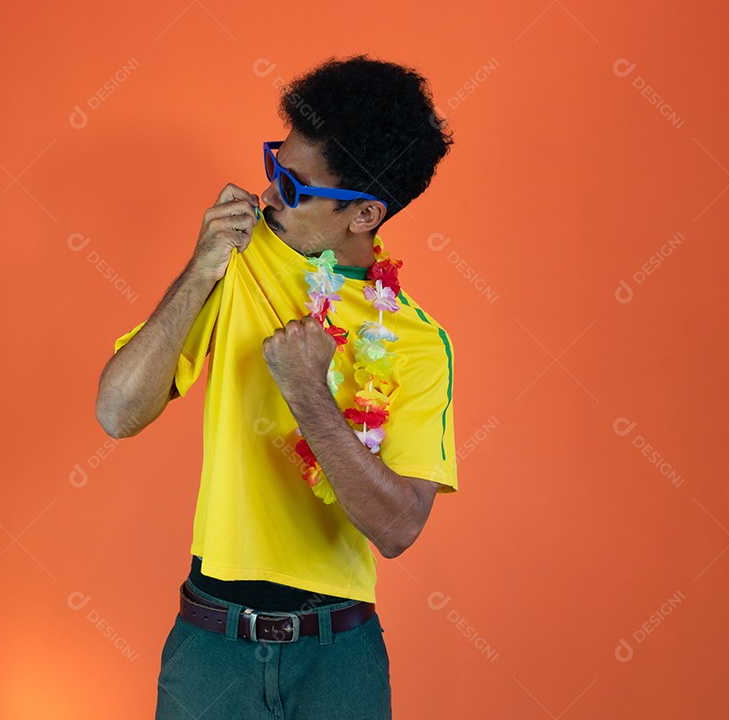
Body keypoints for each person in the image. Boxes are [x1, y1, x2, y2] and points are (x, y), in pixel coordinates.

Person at [95, 55, 458, 720]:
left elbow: (399, 527)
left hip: (338, 661)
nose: (267, 195)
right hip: (211, 647)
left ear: (365, 214)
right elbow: (117, 411)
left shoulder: (416, 341)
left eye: (293, 186)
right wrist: (199, 270)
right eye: (273, 165)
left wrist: (309, 395)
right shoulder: (233, 258)